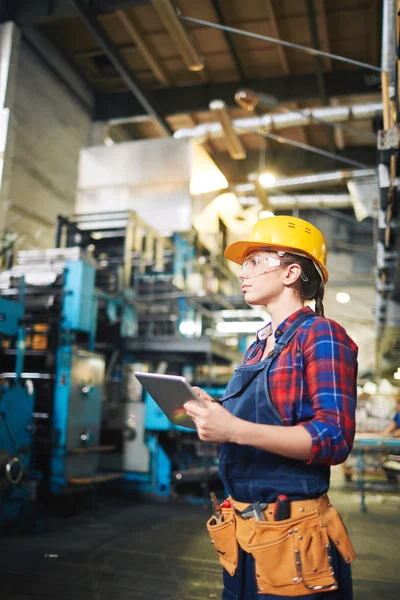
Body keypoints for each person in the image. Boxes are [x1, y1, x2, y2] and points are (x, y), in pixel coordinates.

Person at [184, 215, 358, 600]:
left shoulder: (321, 334)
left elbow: (334, 439)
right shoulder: (258, 346)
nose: (242, 273)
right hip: (244, 534)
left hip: (294, 541)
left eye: (255, 262)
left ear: (291, 272)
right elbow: (253, 424)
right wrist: (213, 413)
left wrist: (232, 429)